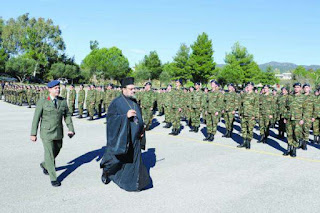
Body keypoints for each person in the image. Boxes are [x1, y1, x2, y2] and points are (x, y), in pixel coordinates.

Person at [100, 77, 150, 192]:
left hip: (135, 138)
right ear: (123, 89)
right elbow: (111, 120)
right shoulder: (116, 103)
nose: (134, 90)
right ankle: (107, 172)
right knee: (116, 159)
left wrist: (141, 130)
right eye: (131, 89)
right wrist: (125, 117)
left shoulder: (134, 102)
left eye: (134, 88)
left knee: (134, 162)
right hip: (122, 139)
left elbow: (139, 118)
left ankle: (134, 184)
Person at [30, 80, 75, 187]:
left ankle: (45, 164)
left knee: (57, 149)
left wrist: (71, 128)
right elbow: (36, 118)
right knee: (49, 154)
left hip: (58, 131)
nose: (58, 89)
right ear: (49, 89)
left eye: (58, 88)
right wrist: (33, 133)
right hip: (46, 132)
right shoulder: (43, 101)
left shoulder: (62, 101)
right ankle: (53, 178)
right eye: (55, 88)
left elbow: (67, 116)